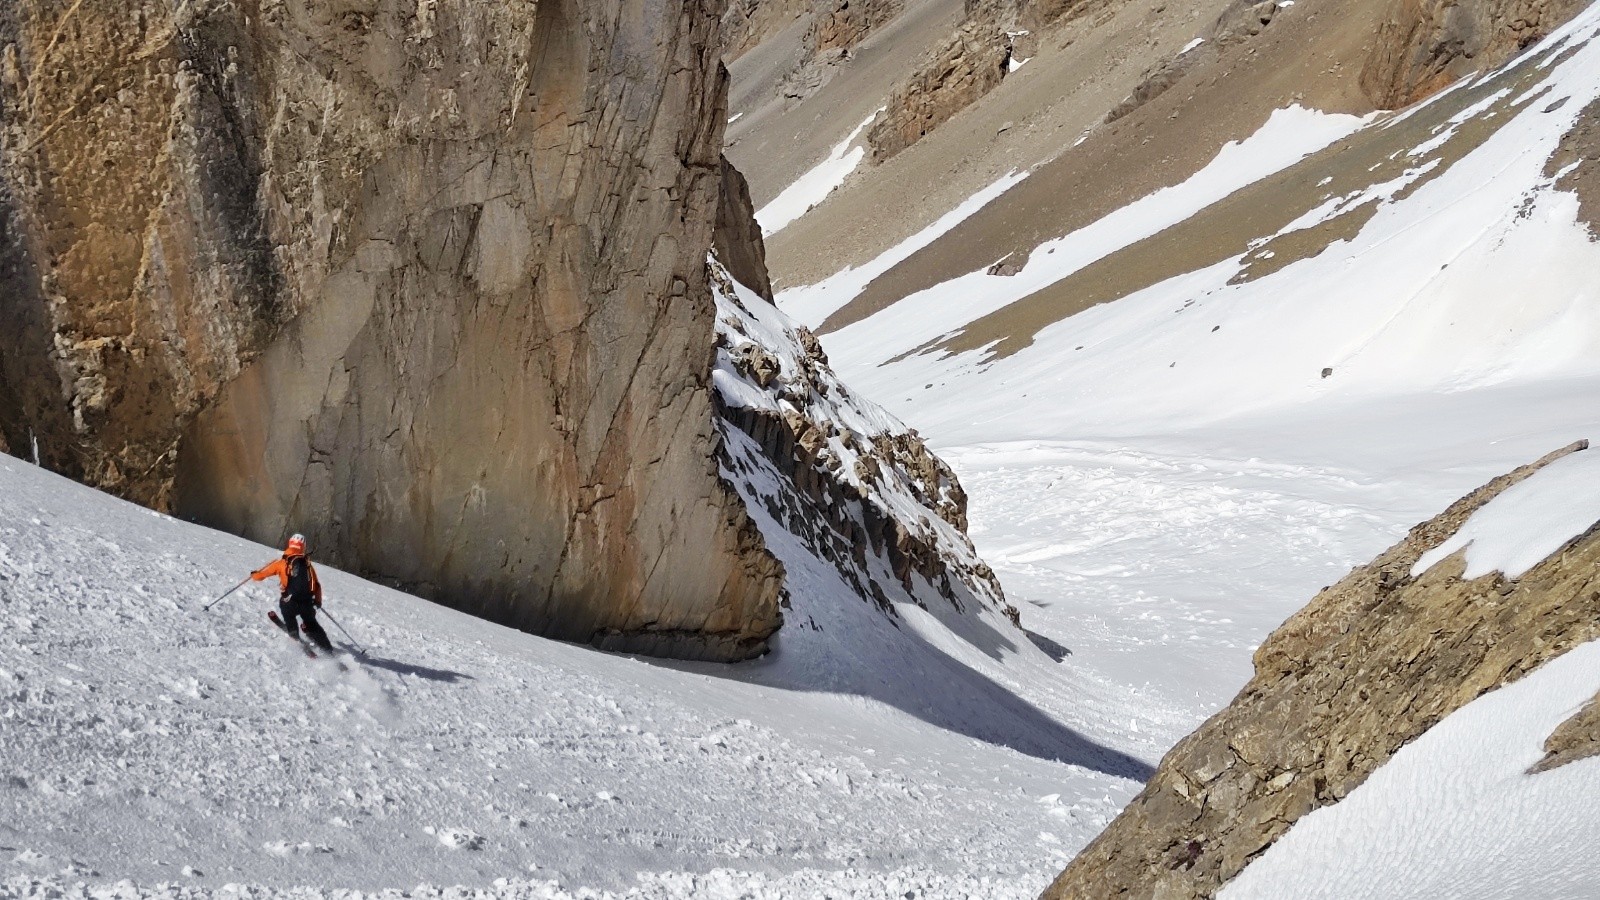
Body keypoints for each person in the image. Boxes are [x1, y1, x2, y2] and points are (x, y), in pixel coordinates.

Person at [251, 533, 333, 651]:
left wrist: (254, 574)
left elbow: (260, 576)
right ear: (303, 546)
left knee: (289, 615)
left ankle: (294, 633)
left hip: (290, 601)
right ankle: (326, 647)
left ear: (290, 544)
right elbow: (317, 586)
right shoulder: (308, 565)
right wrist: (318, 601)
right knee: (311, 622)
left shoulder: (281, 563)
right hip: (307, 603)